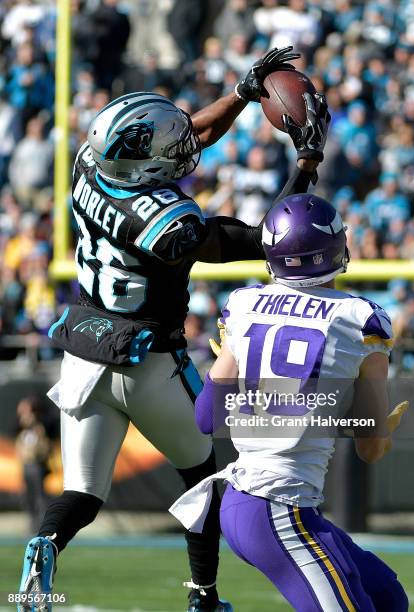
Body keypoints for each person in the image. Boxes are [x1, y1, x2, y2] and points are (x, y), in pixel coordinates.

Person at [17, 47, 331, 612]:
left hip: (85, 353)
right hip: (150, 363)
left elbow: (186, 139)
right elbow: (268, 241)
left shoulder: (88, 166)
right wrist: (305, 164)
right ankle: (204, 596)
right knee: (202, 482)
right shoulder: (171, 224)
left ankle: (44, 545)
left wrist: (240, 93)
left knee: (82, 493)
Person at [171, 193, 409, 611]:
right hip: (280, 509)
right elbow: (370, 449)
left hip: (247, 504)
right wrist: (378, 429)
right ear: (337, 248)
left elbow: (208, 419)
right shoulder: (362, 319)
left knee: (386, 598)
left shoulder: (245, 305)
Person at [16, 397, 52, 533]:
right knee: (28, 496)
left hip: (37, 465)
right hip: (26, 465)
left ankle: (43, 524)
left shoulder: (40, 428)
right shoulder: (23, 432)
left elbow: (44, 447)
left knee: (40, 497)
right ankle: (32, 525)